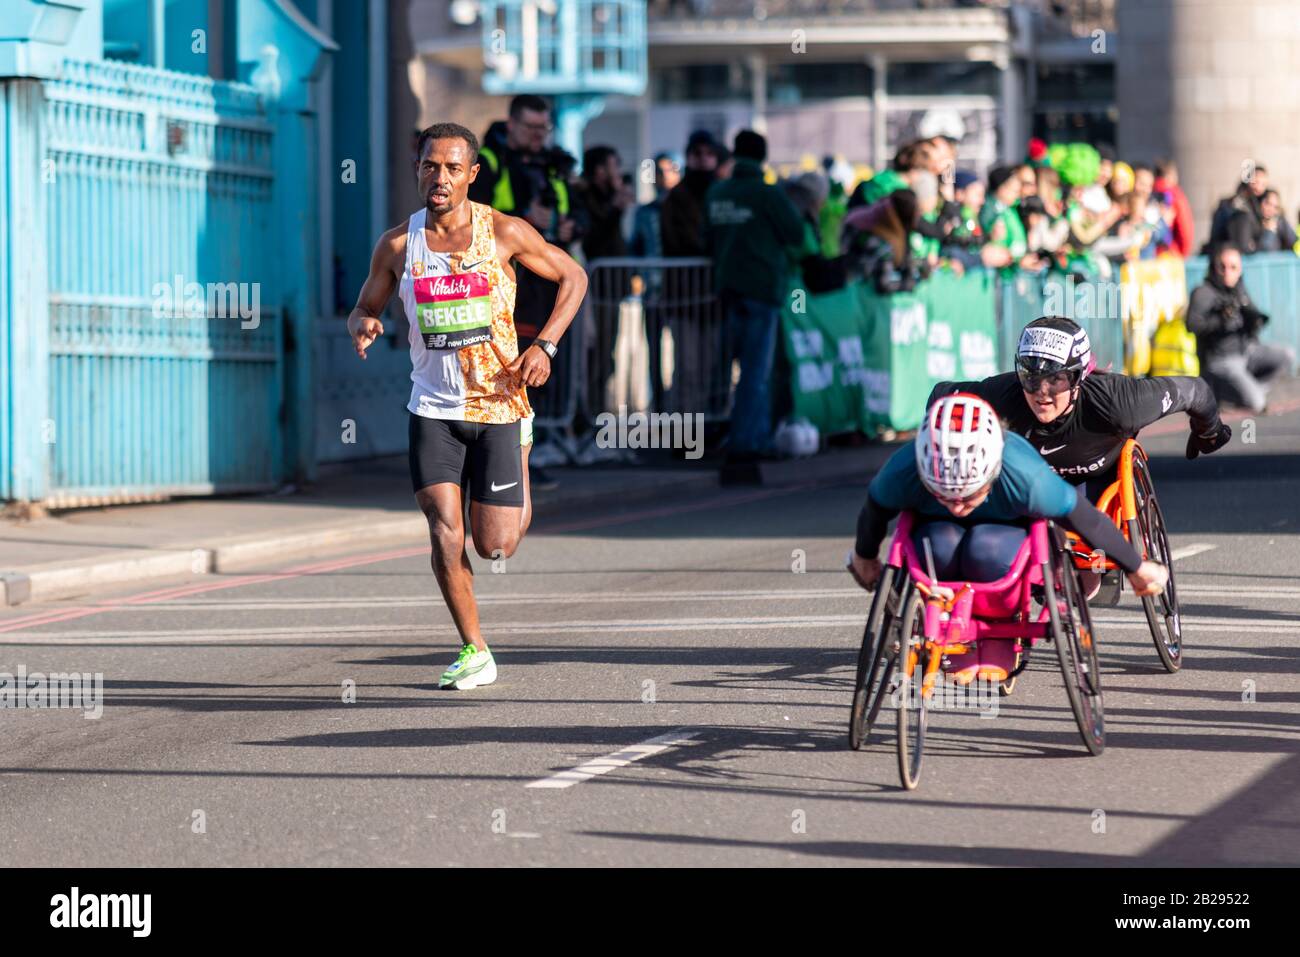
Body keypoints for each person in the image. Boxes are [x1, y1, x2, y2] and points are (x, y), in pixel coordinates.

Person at [347, 122, 587, 689]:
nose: (441, 177)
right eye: (431, 165)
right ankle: (475, 649)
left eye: (454, 168)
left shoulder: (503, 232)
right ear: (418, 169)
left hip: (502, 406)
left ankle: (522, 452)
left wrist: (545, 344)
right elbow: (364, 304)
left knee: (494, 544)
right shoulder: (398, 245)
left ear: (472, 175)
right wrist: (365, 323)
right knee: (443, 532)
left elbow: (573, 276)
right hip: (433, 410)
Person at [848, 393, 1168, 683]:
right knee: (940, 545)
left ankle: (995, 632)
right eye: (946, 494)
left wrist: (1135, 567)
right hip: (935, 534)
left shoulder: (1025, 475)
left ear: (991, 471)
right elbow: (875, 510)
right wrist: (865, 557)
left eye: (969, 494)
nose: (959, 505)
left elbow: (1086, 519)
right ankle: (946, 621)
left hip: (1004, 537)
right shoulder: (904, 468)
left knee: (982, 549)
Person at [928, 316, 1231, 596]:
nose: (1041, 392)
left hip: (1096, 478)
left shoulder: (1121, 402)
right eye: (1031, 377)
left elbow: (1195, 391)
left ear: (1078, 377)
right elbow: (940, 396)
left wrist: (1209, 431)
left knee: (1082, 584)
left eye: (1055, 379)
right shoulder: (1002, 394)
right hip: (1031, 483)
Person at [471, 96, 584, 491]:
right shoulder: (488, 159)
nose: (539, 137)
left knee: (533, 373)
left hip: (543, 284)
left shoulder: (552, 163)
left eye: (544, 129)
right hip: (502, 289)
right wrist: (525, 217)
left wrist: (569, 229)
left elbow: (574, 209)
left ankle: (525, 457)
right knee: (506, 372)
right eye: (532, 128)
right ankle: (505, 463)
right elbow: (471, 214)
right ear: (512, 124)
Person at [704, 129, 806, 469]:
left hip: (726, 290)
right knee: (755, 372)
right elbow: (796, 233)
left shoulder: (717, 192)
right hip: (762, 290)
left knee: (726, 370)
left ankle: (740, 437)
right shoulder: (767, 195)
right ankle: (747, 442)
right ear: (763, 157)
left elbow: (706, 236)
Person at [1187, 244, 1296, 412]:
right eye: (1222, 267)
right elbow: (1192, 325)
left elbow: (1253, 316)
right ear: (1213, 267)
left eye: (1233, 267)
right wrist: (1220, 320)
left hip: (1246, 352)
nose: (1227, 272)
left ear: (1240, 269)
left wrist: (1255, 320)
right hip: (1221, 360)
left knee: (1288, 355)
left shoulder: (1239, 289)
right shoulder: (1203, 292)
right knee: (1258, 404)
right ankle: (1222, 393)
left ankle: (1247, 389)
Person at [661, 129, 719, 257]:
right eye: (697, 153)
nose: (703, 158)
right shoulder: (676, 196)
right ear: (688, 157)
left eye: (710, 153)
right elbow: (670, 237)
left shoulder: (721, 192)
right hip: (686, 269)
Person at [573, 145, 634, 261]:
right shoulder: (582, 199)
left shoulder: (611, 195)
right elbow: (595, 240)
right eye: (615, 166)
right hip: (597, 272)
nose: (618, 172)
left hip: (617, 270)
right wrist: (616, 208)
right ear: (599, 170)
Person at [628, 152, 680, 258]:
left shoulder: (687, 210)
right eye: (660, 172)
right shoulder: (644, 212)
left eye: (671, 170)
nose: (665, 176)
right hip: (652, 271)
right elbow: (636, 247)